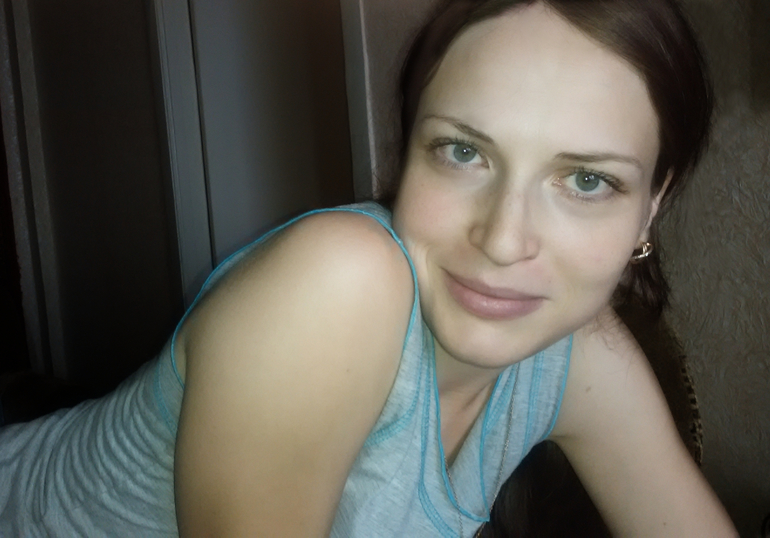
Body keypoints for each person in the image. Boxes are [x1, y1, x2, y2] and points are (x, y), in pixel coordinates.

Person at [0, 0, 738, 536]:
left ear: (651, 206)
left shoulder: (580, 354)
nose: (504, 240)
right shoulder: (338, 281)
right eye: (463, 151)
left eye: (586, 180)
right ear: (409, 151)